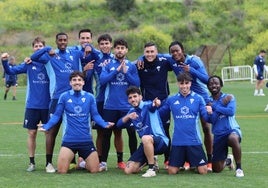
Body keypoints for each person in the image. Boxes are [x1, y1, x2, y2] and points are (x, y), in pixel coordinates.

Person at [30, 32, 94, 173]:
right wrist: (47, 49)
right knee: (51, 131)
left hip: (74, 97)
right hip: (57, 98)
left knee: (77, 127)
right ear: (56, 41)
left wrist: (89, 48)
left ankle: (80, 160)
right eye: (60, 40)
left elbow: (87, 47)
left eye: (65, 40)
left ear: (68, 41)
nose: (63, 42)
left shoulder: (74, 53)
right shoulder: (50, 55)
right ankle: (48, 163)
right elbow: (33, 57)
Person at [37, 71, 114, 174]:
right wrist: (47, 126)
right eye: (74, 80)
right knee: (62, 171)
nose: (77, 82)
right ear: (70, 83)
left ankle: (83, 163)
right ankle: (78, 162)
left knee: (95, 170)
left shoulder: (90, 97)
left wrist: (104, 124)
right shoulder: (64, 96)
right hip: (69, 141)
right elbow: (56, 115)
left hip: (86, 140)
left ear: (83, 82)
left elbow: (95, 115)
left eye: (79, 80)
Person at [1, 37, 50, 172]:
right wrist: (4, 61)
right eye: (36, 46)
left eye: (41, 46)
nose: (38, 48)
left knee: (48, 134)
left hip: (48, 105)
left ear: (44, 47)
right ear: (33, 48)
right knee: (32, 133)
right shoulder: (29, 64)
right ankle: (32, 162)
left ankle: (48, 162)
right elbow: (11, 71)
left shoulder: (50, 63)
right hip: (32, 105)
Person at [168, 41, 213, 171]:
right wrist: (138, 61)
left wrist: (191, 70)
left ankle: (209, 160)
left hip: (202, 98)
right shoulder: (172, 60)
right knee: (185, 123)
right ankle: (188, 159)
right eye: (172, 52)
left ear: (182, 49)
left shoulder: (194, 61)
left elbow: (207, 79)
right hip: (183, 97)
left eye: (177, 50)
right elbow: (156, 55)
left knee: (205, 128)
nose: (175, 53)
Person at [99, 38, 140, 171]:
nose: (120, 50)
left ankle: (133, 161)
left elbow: (137, 84)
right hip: (110, 106)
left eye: (122, 48)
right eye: (118, 48)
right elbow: (102, 81)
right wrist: (116, 71)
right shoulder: (108, 64)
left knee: (132, 133)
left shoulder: (131, 66)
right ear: (114, 49)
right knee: (107, 134)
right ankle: (103, 162)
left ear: (126, 50)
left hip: (127, 107)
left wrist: (125, 72)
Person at [158, 72, 209, 175]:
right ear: (178, 84)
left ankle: (192, 162)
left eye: (187, 83)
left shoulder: (198, 99)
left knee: (203, 171)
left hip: (194, 140)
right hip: (178, 141)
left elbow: (206, 117)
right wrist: (154, 106)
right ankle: (187, 161)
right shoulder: (171, 99)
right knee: (172, 171)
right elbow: (160, 113)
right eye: (182, 83)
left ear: (190, 84)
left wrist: (211, 111)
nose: (184, 86)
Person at [117, 86, 169, 178]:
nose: (133, 99)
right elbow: (119, 124)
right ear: (128, 100)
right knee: (128, 170)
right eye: (130, 98)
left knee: (145, 138)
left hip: (160, 142)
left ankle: (151, 169)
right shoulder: (131, 112)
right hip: (146, 144)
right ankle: (151, 159)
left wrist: (156, 103)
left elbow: (153, 105)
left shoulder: (147, 105)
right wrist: (128, 117)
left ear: (140, 97)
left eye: (135, 96)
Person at [136, 42, 173, 169]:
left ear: (156, 52)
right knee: (149, 131)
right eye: (147, 52)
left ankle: (168, 160)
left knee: (165, 130)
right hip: (147, 104)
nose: (150, 54)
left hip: (163, 103)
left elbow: (175, 59)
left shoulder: (164, 61)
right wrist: (140, 58)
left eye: (152, 51)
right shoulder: (140, 64)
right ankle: (152, 160)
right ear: (144, 53)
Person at [206, 75, 244, 178]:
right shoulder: (207, 101)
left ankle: (239, 168)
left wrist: (215, 107)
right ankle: (228, 161)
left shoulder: (229, 97)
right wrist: (221, 105)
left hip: (231, 130)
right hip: (218, 134)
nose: (214, 85)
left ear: (221, 85)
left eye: (216, 83)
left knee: (233, 138)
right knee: (216, 169)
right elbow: (211, 119)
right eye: (211, 84)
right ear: (208, 87)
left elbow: (231, 112)